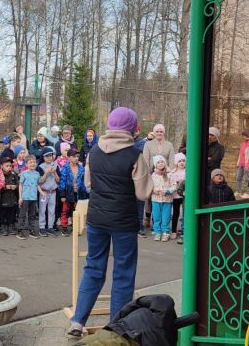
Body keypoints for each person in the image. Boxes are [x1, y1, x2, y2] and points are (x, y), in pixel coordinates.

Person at [68, 107, 152, 337]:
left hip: (96, 218)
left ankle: (77, 321)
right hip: (124, 221)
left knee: (93, 267)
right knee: (123, 272)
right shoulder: (135, 155)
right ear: (132, 129)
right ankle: (116, 328)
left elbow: (88, 184)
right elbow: (143, 192)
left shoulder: (94, 151)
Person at [59, 149, 87, 236]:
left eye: (77, 157)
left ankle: (76, 227)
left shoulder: (81, 168)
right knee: (65, 210)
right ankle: (64, 227)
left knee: (77, 210)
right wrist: (62, 194)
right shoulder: (65, 168)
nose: (76, 158)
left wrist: (83, 192)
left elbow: (83, 181)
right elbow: (62, 181)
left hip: (78, 193)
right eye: (74, 156)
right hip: (68, 192)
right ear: (69, 157)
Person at [151, 156, 177, 242]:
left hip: (167, 200)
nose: (160, 163)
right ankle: (157, 232)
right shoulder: (153, 175)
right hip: (155, 199)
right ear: (155, 165)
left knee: (166, 217)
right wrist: (154, 190)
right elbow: (150, 186)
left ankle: (165, 232)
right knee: (156, 216)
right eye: (158, 162)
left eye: (162, 162)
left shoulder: (170, 175)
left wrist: (167, 191)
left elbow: (174, 185)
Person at [17, 155, 41, 239]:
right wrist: (20, 197)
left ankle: (31, 230)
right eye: (30, 162)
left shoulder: (37, 174)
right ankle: (20, 230)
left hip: (33, 197)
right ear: (26, 164)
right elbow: (21, 185)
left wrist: (41, 192)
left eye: (34, 162)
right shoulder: (24, 173)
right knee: (22, 214)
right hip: (25, 197)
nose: (33, 164)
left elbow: (37, 184)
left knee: (32, 215)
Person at [37, 146, 59, 237]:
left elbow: (58, 180)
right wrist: (46, 173)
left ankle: (50, 226)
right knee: (42, 210)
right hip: (44, 191)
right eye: (47, 156)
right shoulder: (40, 167)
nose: (49, 158)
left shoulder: (56, 165)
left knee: (51, 210)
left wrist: (54, 172)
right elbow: (40, 181)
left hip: (53, 191)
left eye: (50, 155)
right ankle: (42, 227)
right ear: (43, 157)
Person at [0, 157, 19, 236]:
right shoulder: (0, 174)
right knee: (3, 213)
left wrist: (15, 187)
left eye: (10, 166)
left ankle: (11, 225)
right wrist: (5, 187)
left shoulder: (13, 174)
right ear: (1, 166)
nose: (9, 167)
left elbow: (18, 184)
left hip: (13, 197)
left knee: (12, 212)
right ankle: (3, 226)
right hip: (3, 198)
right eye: (7, 166)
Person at [235, 131, 249, 199]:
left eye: (244, 135)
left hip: (248, 165)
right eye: (242, 136)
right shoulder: (242, 144)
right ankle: (238, 191)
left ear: (248, 136)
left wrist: (248, 165)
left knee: (247, 179)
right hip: (241, 164)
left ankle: (247, 193)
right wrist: (238, 163)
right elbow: (240, 154)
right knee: (238, 177)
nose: (243, 137)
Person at [169, 153, 186, 240]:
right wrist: (176, 181)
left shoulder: (187, 172)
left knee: (184, 214)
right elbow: (171, 183)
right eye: (179, 161)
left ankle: (184, 231)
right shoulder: (173, 172)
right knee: (175, 214)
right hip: (176, 196)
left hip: (184, 197)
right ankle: (173, 231)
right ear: (176, 162)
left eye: (183, 160)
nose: (182, 162)